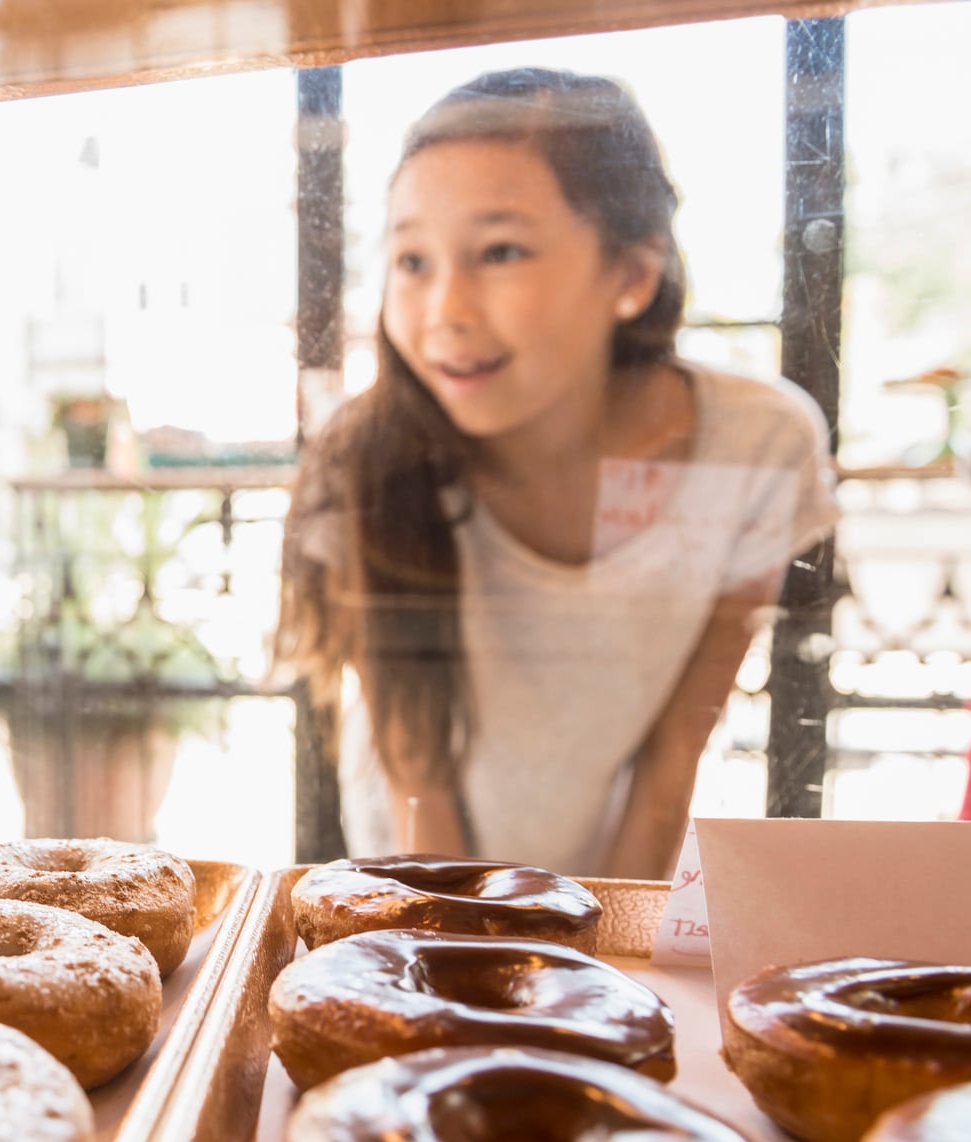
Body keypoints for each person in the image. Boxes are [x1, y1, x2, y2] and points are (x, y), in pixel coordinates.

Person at [276, 68, 838, 880]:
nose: (444, 310)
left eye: (498, 251)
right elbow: (414, 763)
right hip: (418, 878)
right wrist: (472, 955)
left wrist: (607, 949)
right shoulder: (364, 452)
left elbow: (673, 752)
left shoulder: (752, 446)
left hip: (607, 866)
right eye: (411, 260)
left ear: (631, 275)